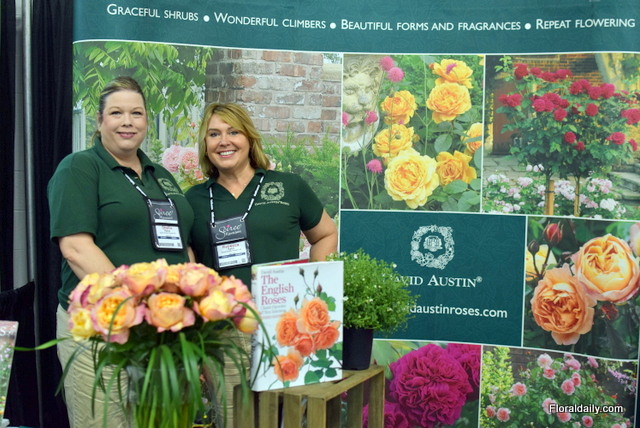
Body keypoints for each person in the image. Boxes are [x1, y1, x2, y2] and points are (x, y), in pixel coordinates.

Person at [48, 76, 194, 428]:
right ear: (99, 121)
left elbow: (182, 244)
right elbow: (76, 248)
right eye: (116, 113)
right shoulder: (80, 167)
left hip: (163, 331)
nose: (127, 122)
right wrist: (137, 309)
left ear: (147, 122)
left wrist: (188, 305)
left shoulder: (161, 176)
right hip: (100, 328)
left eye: (136, 113)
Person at [185, 102, 338, 424]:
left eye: (233, 132)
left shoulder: (288, 186)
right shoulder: (193, 200)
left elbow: (325, 234)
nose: (224, 141)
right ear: (205, 144)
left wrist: (314, 289)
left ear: (249, 138)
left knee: (287, 418)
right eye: (214, 134)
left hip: (285, 326)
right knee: (233, 418)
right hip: (222, 332)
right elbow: (188, 265)